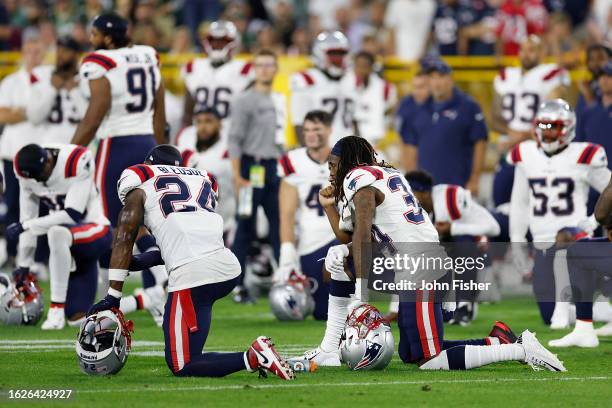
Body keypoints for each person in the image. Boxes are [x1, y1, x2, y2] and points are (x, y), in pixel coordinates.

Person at [314, 135, 566, 372]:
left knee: (429, 360)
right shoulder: (381, 173)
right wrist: (328, 208)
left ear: (350, 162)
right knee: (411, 352)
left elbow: (362, 232)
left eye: (334, 165)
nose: (331, 172)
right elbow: (354, 236)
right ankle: (498, 341)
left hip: (422, 268)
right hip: (418, 265)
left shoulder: (358, 177)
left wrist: (361, 291)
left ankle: (521, 349)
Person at [87, 145, 295, 380]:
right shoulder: (203, 180)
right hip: (227, 269)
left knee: (182, 364)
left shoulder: (141, 179)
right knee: (190, 352)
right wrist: (134, 262)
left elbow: (125, 231)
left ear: (149, 165)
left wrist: (113, 297)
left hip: (194, 275)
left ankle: (255, 356)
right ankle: (254, 357)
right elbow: (183, 242)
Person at [70, 12, 168, 310]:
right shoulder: (148, 54)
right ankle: (159, 288)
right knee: (148, 224)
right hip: (148, 142)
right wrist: (161, 147)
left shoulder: (99, 61)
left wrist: (71, 153)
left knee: (119, 227)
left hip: (116, 146)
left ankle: (112, 296)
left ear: (108, 37)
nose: (91, 39)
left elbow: (96, 111)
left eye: (95, 33)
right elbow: (158, 104)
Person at [508, 99, 611, 327]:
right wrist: (516, 240)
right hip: (543, 243)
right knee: (549, 315)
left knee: (571, 302)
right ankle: (600, 314)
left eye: (552, 126)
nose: (546, 133)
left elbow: (610, 190)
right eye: (542, 126)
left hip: (575, 241)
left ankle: (601, 306)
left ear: (567, 127)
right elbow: (520, 202)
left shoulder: (583, 155)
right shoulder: (526, 155)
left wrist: (594, 222)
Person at [6, 143, 110, 330]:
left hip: (96, 230)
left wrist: (26, 225)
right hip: (71, 248)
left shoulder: (76, 160)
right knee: (79, 319)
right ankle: (139, 301)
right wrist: (24, 264)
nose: (37, 182)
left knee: (56, 232)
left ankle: (56, 310)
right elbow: (27, 217)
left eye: (39, 176)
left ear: (47, 162)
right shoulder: (25, 173)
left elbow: (73, 215)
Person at [404, 169, 502, 325]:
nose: (406, 201)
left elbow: (494, 228)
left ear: (423, 193)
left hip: (477, 251)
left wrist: (453, 228)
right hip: (454, 254)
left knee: (459, 242)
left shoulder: (447, 200)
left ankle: (466, 302)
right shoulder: (421, 211)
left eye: (409, 195)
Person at [228, 49, 286, 303]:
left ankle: (284, 279)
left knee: (279, 226)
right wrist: (237, 176)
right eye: (260, 64)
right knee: (245, 228)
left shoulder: (278, 99)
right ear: (254, 68)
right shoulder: (245, 100)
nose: (265, 69)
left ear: (275, 69)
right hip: (252, 168)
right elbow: (235, 139)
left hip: (273, 166)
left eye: (269, 64)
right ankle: (236, 284)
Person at [491, 35, 570, 209]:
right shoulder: (506, 76)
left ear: (542, 52)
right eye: (523, 49)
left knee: (538, 206)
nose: (526, 54)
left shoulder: (551, 74)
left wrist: (523, 135)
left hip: (538, 151)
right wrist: (511, 133)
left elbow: (557, 116)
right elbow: (494, 117)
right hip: (508, 153)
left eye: (532, 49)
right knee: (501, 204)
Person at [276, 110, 336, 322]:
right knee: (322, 313)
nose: (310, 134)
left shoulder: (346, 159)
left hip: (342, 238)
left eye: (317, 129)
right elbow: (287, 214)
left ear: (329, 130)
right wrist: (287, 252)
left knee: (348, 306)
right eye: (307, 129)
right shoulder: (293, 161)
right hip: (311, 245)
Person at [401, 59, 487, 196]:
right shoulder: (418, 109)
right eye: (432, 77)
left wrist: (475, 179)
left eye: (440, 76)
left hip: (458, 187)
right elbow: (410, 146)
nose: (436, 82)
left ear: (450, 79)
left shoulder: (468, 106)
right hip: (425, 190)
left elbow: (480, 142)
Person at [0, 34, 46, 268]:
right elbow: (3, 114)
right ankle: (11, 252)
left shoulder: (48, 81)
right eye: (30, 51)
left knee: (45, 206)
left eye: (38, 52)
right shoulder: (11, 82)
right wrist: (33, 112)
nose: (33, 56)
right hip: (13, 153)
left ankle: (40, 258)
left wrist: (20, 111)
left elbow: (47, 113)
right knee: (14, 205)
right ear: (23, 54)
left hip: (43, 155)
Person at [180, 20, 254, 137]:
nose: (217, 45)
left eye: (223, 41)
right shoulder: (194, 67)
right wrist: (185, 132)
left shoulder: (244, 70)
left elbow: (248, 113)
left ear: (234, 43)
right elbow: (188, 111)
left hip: (229, 133)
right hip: (199, 132)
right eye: (213, 41)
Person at [179, 107, 236, 241]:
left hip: (225, 223)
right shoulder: (186, 141)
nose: (203, 126)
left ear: (220, 124)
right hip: (190, 223)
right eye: (199, 122)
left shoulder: (229, 147)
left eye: (208, 121)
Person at [290, 31, 356, 144]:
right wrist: (309, 155)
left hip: (349, 150)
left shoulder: (350, 79)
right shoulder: (306, 79)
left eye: (341, 54)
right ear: (320, 54)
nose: (338, 58)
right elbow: (299, 123)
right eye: (333, 54)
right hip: (322, 149)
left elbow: (354, 120)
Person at [26, 36, 85, 145]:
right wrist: (52, 89)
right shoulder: (42, 75)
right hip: (50, 144)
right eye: (58, 49)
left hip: (80, 145)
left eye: (66, 50)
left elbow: (92, 119)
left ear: (77, 54)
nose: (60, 54)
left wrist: (74, 92)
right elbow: (34, 118)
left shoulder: (86, 78)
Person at [344, 51, 396, 146]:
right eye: (357, 66)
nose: (360, 70)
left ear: (371, 68)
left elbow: (390, 111)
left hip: (376, 143)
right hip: (348, 142)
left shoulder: (385, 88)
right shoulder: (343, 85)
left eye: (364, 66)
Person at [397, 70, 430, 172]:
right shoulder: (406, 105)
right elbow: (404, 139)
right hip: (413, 158)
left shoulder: (438, 105)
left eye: (421, 87)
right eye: (415, 87)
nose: (417, 92)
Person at [575, 44, 610, 116]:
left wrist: (587, 93)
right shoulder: (588, 83)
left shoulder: (607, 85)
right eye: (592, 59)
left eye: (601, 58)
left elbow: (600, 115)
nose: (596, 63)